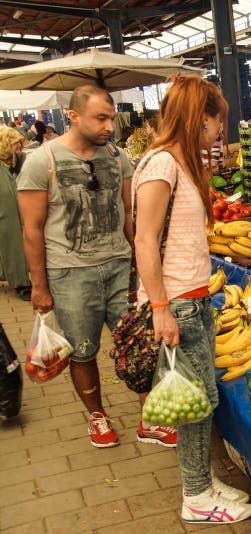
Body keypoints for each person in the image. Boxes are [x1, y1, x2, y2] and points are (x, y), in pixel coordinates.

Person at [16, 85, 176, 449]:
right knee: (83, 349)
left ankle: (149, 418)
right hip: (70, 274)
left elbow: (131, 215)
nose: (109, 126)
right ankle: (97, 416)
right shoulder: (43, 161)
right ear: (73, 116)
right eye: (100, 118)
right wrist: (39, 286)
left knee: (139, 344)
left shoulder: (117, 157)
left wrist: (148, 257)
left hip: (121, 268)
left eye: (111, 118)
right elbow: (31, 229)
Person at [133, 75, 251, 524]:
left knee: (201, 399)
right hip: (178, 302)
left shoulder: (181, 162)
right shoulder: (161, 164)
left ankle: (199, 481)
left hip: (194, 296)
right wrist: (161, 308)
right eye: (216, 120)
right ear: (198, 117)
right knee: (197, 400)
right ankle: (197, 497)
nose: (220, 129)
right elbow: (144, 241)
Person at [0, 127, 31, 300]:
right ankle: (21, 284)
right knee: (13, 248)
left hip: (20, 214)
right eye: (15, 142)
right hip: (6, 216)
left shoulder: (19, 162)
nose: (19, 145)